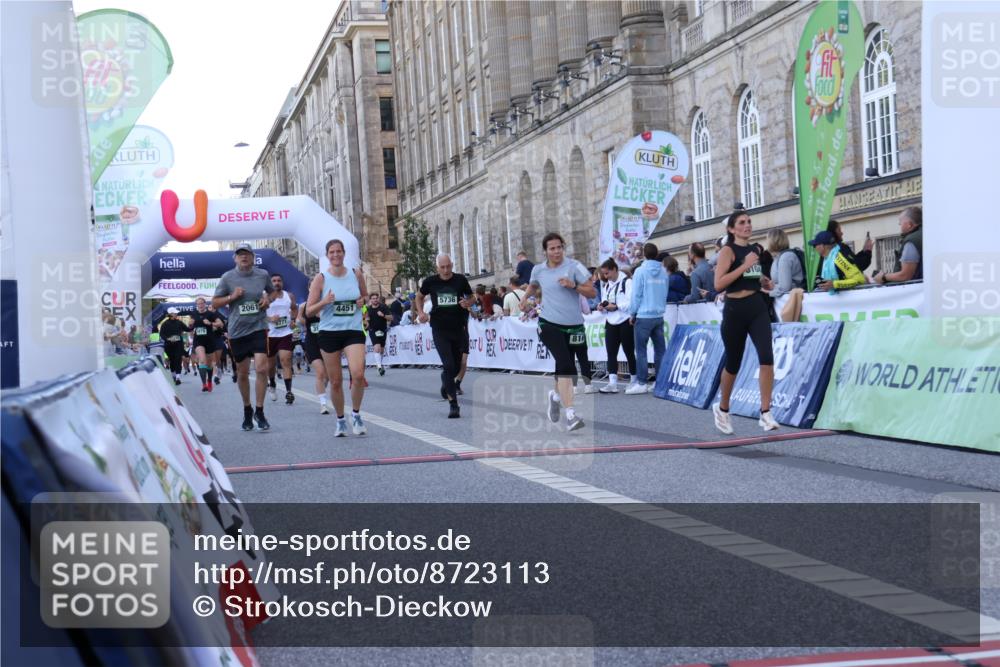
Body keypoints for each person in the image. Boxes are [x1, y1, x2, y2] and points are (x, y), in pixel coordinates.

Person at [712, 211, 779, 434]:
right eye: (742, 222)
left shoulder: (753, 251)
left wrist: (763, 281)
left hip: (756, 307)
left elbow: (750, 278)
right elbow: (719, 284)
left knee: (766, 358)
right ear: (732, 229)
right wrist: (744, 265)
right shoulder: (727, 251)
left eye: (749, 221)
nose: (747, 225)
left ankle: (766, 412)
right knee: (733, 363)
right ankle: (722, 409)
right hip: (734, 310)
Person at [520, 233, 595, 431]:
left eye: (559, 247)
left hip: (574, 325)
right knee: (566, 364)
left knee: (564, 367)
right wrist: (524, 298)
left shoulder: (574, 266)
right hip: (549, 324)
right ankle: (571, 415)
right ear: (545, 251)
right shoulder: (538, 269)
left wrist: (574, 285)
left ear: (563, 247)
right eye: (552, 248)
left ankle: (554, 396)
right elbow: (534, 284)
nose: (556, 251)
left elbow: (592, 292)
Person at [306, 239, 369, 436]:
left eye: (339, 251)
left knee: (358, 375)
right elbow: (308, 311)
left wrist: (362, 301)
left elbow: (366, 297)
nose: (335, 255)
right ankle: (341, 419)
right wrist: (324, 301)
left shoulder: (355, 273)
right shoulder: (321, 278)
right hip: (329, 332)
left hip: (352, 329)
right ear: (327, 256)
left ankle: (356, 415)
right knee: (335, 381)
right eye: (332, 252)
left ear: (344, 253)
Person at [212, 243, 275, 432]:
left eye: (247, 254)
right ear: (235, 258)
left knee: (262, 368)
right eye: (240, 254)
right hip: (238, 330)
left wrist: (267, 299)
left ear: (253, 257)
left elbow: (272, 292)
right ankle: (247, 409)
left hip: (258, 326)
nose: (244, 257)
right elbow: (214, 303)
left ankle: (260, 411)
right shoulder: (227, 277)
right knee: (242, 372)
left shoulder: (262, 275)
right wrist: (231, 297)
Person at [416, 254, 473, 417]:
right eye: (443, 267)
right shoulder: (430, 282)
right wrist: (420, 312)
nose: (446, 270)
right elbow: (419, 296)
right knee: (448, 365)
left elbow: (472, 297)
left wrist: (468, 303)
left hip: (458, 327)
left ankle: (446, 381)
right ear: (437, 268)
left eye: (449, 266)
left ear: (452, 264)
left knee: (456, 367)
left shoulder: (460, 280)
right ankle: (453, 404)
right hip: (439, 328)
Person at [626, 243, 668, 395]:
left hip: (644, 315)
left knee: (641, 351)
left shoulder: (640, 271)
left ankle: (642, 382)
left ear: (644, 254)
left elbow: (636, 294)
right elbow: (665, 291)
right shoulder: (663, 271)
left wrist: (632, 313)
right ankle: (660, 381)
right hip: (658, 314)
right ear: (657, 254)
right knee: (660, 350)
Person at [597, 258, 636, 393]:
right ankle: (612, 383)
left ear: (615, 269)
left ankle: (634, 380)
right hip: (611, 322)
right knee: (611, 353)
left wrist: (617, 307)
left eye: (607, 273)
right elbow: (605, 300)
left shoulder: (628, 282)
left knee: (629, 351)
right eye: (604, 274)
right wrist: (602, 306)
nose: (606, 277)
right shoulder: (606, 285)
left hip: (625, 321)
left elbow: (631, 303)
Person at [265, 273, 298, 405]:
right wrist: (270, 319)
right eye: (274, 281)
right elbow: (258, 314)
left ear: (282, 283)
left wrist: (293, 320)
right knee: (271, 364)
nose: (276, 283)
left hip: (285, 333)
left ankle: (288, 391)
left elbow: (295, 309)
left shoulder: (289, 296)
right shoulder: (264, 296)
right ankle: (272, 383)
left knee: (286, 360)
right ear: (270, 283)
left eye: (279, 280)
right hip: (270, 335)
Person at [296, 302, 331, 414]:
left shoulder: (326, 303)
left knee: (328, 376)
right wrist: (304, 318)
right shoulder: (303, 306)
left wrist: (320, 315)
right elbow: (298, 322)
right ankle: (323, 404)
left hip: (326, 341)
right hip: (312, 342)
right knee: (320, 372)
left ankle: (322, 389)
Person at [875, 206, 923, 285]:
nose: (899, 224)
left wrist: (883, 277)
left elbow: (905, 275)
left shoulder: (911, 241)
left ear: (909, 224)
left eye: (901, 223)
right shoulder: (925, 233)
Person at [190, 297, 224, 393]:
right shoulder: (194, 314)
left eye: (201, 303)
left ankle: (209, 381)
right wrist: (190, 324)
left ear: (205, 304)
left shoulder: (210, 314)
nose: (200, 305)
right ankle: (204, 384)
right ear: (196, 305)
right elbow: (190, 326)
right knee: (202, 360)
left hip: (209, 341)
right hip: (198, 341)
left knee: (209, 364)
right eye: (198, 304)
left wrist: (210, 323)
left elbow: (220, 324)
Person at [764, 229, 806, 298]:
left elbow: (785, 288)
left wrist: (768, 292)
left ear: (772, 241)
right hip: (788, 299)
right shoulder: (780, 256)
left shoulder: (785, 257)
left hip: (792, 300)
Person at [158, 307, 190, 385]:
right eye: (175, 313)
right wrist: (168, 339)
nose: (176, 314)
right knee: (172, 360)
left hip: (178, 344)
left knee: (178, 359)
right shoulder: (165, 324)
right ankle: (173, 376)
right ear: (171, 314)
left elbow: (187, 329)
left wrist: (192, 325)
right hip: (169, 345)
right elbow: (161, 334)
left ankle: (178, 377)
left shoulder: (179, 322)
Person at [366, 293, 390, 375]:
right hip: (373, 330)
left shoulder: (383, 307)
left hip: (383, 330)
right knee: (377, 348)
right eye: (373, 298)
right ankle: (379, 367)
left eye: (376, 298)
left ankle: (380, 364)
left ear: (378, 299)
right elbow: (365, 321)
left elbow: (391, 318)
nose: (375, 300)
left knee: (382, 350)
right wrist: (366, 321)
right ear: (370, 300)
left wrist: (383, 315)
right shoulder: (368, 309)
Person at [211, 313, 228, 383]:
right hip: (210, 341)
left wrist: (218, 328)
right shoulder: (206, 320)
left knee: (218, 360)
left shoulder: (219, 319)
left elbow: (224, 330)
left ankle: (219, 371)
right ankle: (215, 376)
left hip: (218, 340)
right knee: (213, 360)